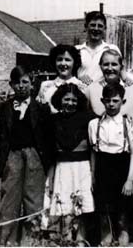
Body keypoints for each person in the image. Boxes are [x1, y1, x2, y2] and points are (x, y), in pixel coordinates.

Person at [0, 65, 55, 246]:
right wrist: (3, 158)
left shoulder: (41, 108)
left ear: (32, 84)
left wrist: (46, 160)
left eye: (25, 82)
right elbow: (0, 136)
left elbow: (47, 137)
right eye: (17, 83)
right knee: (10, 198)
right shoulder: (4, 108)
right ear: (11, 85)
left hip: (34, 156)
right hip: (12, 156)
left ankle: (32, 240)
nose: (21, 86)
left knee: (33, 198)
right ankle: (6, 241)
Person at [88, 83, 133, 246]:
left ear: (123, 102)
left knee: (122, 205)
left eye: (115, 101)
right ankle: (107, 234)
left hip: (122, 165)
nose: (111, 104)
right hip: (103, 166)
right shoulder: (94, 124)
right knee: (103, 204)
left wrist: (130, 179)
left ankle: (123, 233)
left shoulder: (129, 123)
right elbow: (93, 153)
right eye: (108, 101)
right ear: (102, 101)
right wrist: (92, 176)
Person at [46, 83, 96, 245]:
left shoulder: (88, 117)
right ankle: (66, 237)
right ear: (59, 101)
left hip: (83, 166)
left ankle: (81, 238)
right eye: (66, 99)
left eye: (74, 100)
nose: (70, 103)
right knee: (65, 202)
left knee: (82, 202)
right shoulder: (54, 120)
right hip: (63, 167)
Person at [85, 49, 133, 117]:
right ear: (100, 66)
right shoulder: (91, 90)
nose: (110, 68)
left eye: (114, 64)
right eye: (106, 64)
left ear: (121, 67)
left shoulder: (132, 90)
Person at [37, 44, 87, 113]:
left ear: (74, 62)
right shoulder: (45, 86)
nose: (63, 63)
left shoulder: (82, 87)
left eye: (67, 60)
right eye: (59, 59)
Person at [76, 11, 121, 84]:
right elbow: (69, 76)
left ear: (105, 28)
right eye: (93, 25)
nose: (96, 29)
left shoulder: (112, 49)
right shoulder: (77, 50)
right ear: (86, 26)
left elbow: (120, 73)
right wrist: (79, 78)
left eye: (100, 26)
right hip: (81, 92)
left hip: (105, 93)